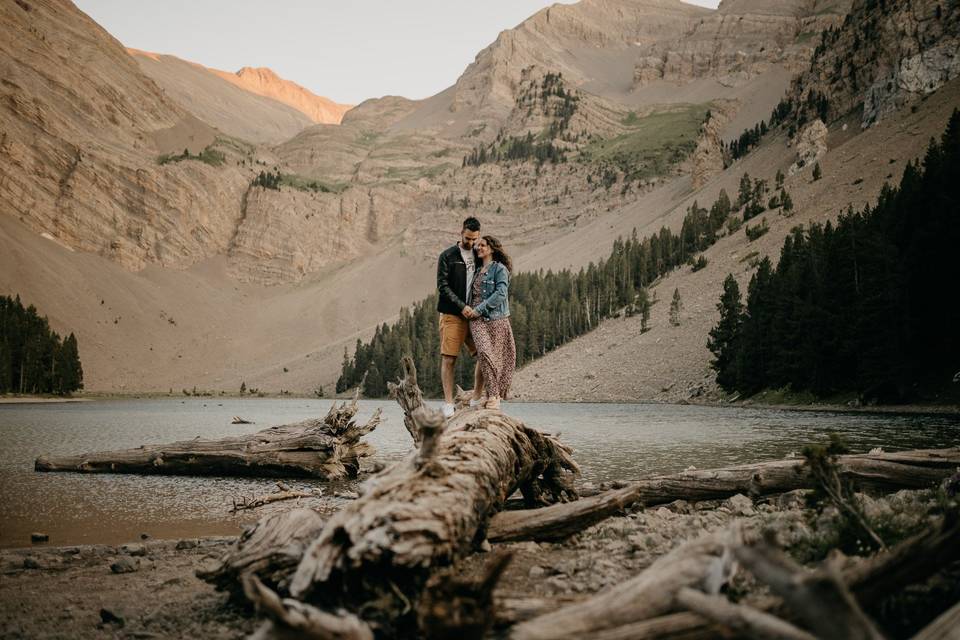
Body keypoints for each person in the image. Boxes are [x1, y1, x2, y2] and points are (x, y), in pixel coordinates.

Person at [436, 217, 484, 418]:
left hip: (474, 316)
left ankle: (476, 398)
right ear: (460, 232)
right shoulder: (447, 256)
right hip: (452, 314)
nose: (471, 243)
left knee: (484, 354)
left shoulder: (479, 255)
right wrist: (461, 306)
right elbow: (442, 286)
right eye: (467, 238)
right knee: (449, 358)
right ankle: (448, 404)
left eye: (474, 239)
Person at [464, 236, 515, 410]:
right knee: (485, 353)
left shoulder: (499, 269)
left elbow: (501, 293)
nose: (479, 248)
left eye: (483, 245)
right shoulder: (477, 270)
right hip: (476, 320)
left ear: (492, 249)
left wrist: (479, 309)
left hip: (496, 319)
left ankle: (493, 396)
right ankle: (490, 394)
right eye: (477, 246)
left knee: (498, 359)